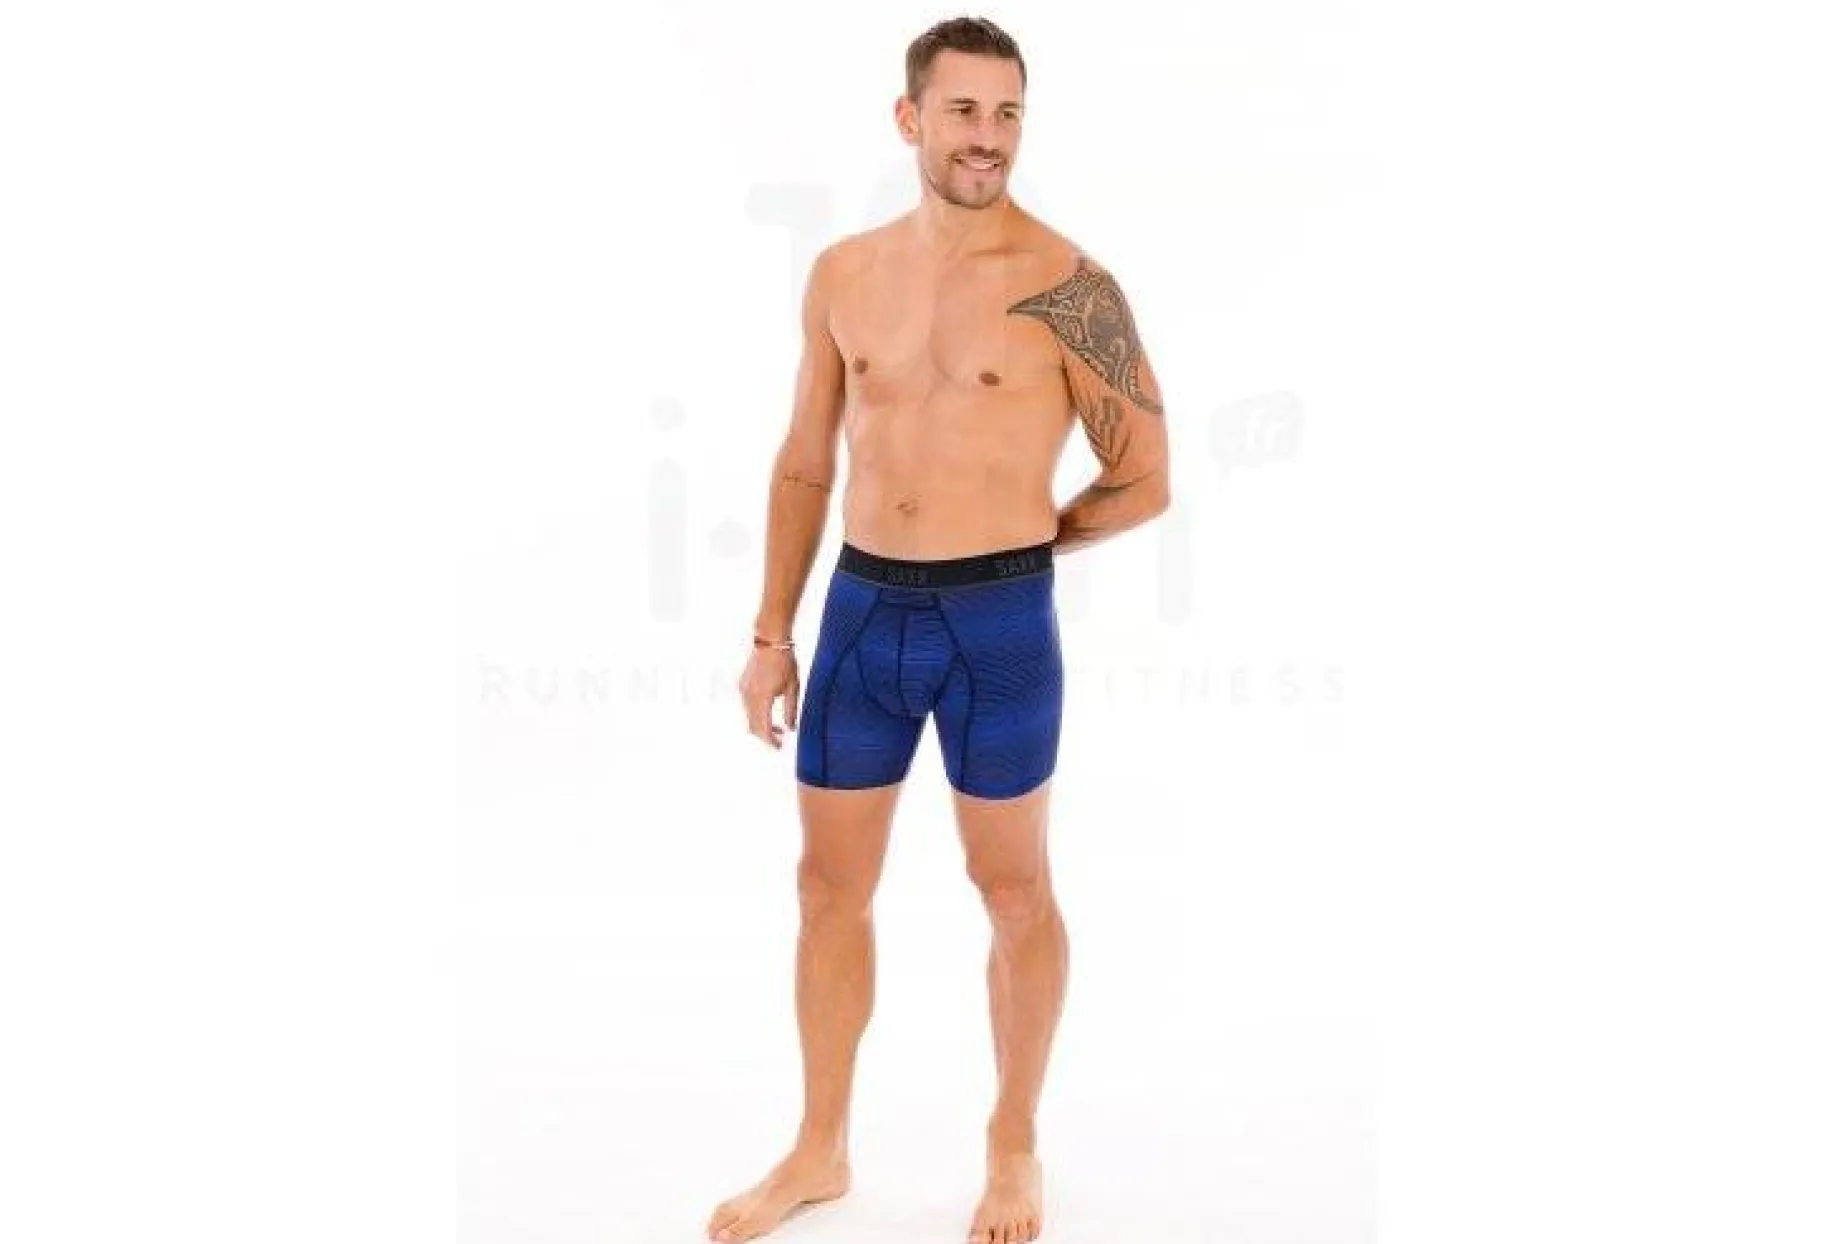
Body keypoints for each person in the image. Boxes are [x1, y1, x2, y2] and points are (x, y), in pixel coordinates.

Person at [714, 16, 1171, 1244]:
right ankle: (819, 1147)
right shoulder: (843, 273)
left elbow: (1145, 476)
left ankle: (1013, 1141)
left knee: (1012, 887)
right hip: (862, 611)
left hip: (996, 622)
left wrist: (1022, 542)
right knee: (825, 885)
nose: (988, 137)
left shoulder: (1072, 286)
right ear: (910, 117)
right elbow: (804, 461)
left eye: (1007, 113)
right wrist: (770, 632)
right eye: (964, 111)